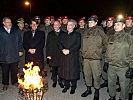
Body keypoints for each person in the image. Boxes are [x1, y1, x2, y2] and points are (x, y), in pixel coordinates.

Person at [103, 18, 133, 100]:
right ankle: (112, 96)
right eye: (115, 24)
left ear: (123, 26)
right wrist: (106, 62)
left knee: (124, 86)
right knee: (111, 83)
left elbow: (131, 53)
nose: (115, 26)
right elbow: (107, 51)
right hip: (111, 66)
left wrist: (131, 67)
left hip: (123, 67)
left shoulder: (129, 38)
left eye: (118, 24)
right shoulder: (111, 37)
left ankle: (123, 98)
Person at [81, 15, 107, 100]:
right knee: (87, 74)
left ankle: (96, 91)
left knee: (96, 75)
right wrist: (83, 52)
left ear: (96, 22)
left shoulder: (100, 31)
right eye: (89, 22)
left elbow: (106, 44)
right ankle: (88, 89)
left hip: (95, 58)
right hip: (86, 58)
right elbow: (82, 44)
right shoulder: (85, 32)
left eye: (92, 22)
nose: (90, 23)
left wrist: (99, 51)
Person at [0, 17, 23, 90]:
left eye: (10, 22)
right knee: (5, 70)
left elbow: (20, 41)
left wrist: (20, 50)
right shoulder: (0, 31)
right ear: (3, 23)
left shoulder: (15, 31)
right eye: (7, 22)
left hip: (14, 53)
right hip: (4, 54)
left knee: (14, 69)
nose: (9, 23)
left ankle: (14, 81)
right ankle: (5, 83)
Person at [58, 19, 81, 94]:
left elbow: (78, 45)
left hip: (73, 56)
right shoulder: (63, 34)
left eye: (71, 25)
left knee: (73, 72)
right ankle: (66, 86)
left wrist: (69, 50)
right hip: (64, 56)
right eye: (68, 25)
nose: (69, 26)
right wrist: (62, 50)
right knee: (65, 72)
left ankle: (73, 87)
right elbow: (59, 43)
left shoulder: (77, 34)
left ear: (74, 26)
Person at [46, 21, 64, 88]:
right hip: (52, 54)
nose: (55, 26)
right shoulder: (50, 34)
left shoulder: (63, 33)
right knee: (54, 70)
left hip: (61, 54)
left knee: (60, 69)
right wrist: (48, 54)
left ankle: (60, 81)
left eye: (57, 24)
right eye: (54, 25)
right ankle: (54, 81)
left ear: (60, 25)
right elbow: (47, 45)